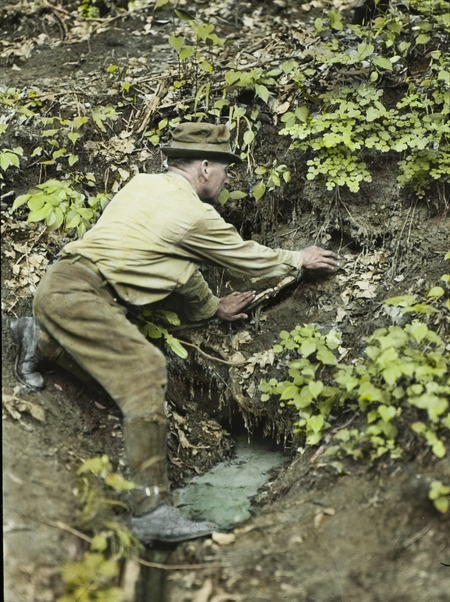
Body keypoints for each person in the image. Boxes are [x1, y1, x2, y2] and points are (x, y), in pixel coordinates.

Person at [11, 122, 340, 545]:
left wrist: (213, 309)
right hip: (83, 295)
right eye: (224, 169)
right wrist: (299, 258)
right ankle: (152, 513)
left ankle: (39, 337)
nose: (226, 179)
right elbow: (245, 259)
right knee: (146, 370)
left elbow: (179, 270)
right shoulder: (193, 215)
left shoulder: (143, 185)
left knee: (122, 369)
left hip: (60, 288)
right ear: (205, 168)